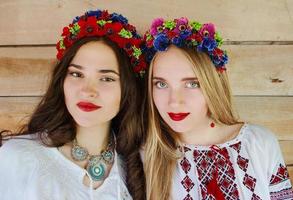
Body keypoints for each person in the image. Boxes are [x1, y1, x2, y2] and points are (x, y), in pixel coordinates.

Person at [0, 9, 146, 200]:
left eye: (107, 78)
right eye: (77, 74)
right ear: (62, 81)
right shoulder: (19, 158)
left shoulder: (136, 170)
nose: (87, 90)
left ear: (128, 89)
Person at [142, 17, 293, 200]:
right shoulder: (146, 158)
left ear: (212, 85)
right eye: (161, 84)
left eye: (192, 84)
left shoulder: (259, 143)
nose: (174, 102)